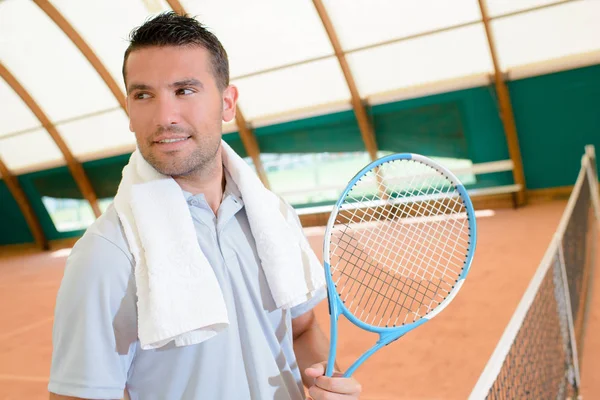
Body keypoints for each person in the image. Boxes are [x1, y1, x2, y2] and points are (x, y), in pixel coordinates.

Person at [48, 11, 362, 400]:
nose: (164, 117)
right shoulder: (105, 254)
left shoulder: (274, 216)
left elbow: (300, 330)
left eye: (185, 90)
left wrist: (325, 381)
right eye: (143, 95)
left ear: (227, 103)